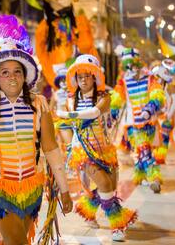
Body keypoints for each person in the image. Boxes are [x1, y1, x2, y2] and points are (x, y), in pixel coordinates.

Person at [0, 14, 72, 245]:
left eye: (17, 71)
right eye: (5, 72)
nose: (12, 77)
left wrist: (64, 188)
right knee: (16, 241)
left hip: (32, 187)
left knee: (21, 241)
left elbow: (50, 148)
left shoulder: (39, 104)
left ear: (25, 75)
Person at [57, 54, 137, 241]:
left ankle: (88, 211)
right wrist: (71, 146)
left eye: (87, 75)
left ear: (94, 76)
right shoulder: (70, 100)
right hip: (83, 151)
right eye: (79, 76)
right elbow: (63, 127)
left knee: (109, 186)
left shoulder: (104, 97)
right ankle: (118, 225)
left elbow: (93, 113)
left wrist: (66, 113)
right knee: (104, 184)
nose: (83, 79)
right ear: (75, 79)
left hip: (105, 149)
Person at [111, 48, 166, 193]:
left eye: (133, 64)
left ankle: (139, 175)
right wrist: (113, 113)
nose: (131, 68)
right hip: (133, 125)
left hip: (150, 123)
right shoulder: (123, 82)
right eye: (128, 66)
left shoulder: (150, 78)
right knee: (144, 149)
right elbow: (116, 100)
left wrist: (149, 109)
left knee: (144, 149)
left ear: (139, 63)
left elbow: (158, 95)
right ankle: (154, 178)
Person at [151, 59, 175, 163]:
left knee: (164, 138)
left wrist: (169, 114)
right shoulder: (158, 87)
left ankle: (160, 158)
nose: (156, 79)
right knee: (159, 138)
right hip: (161, 117)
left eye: (157, 77)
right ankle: (158, 157)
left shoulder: (170, 86)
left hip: (167, 117)